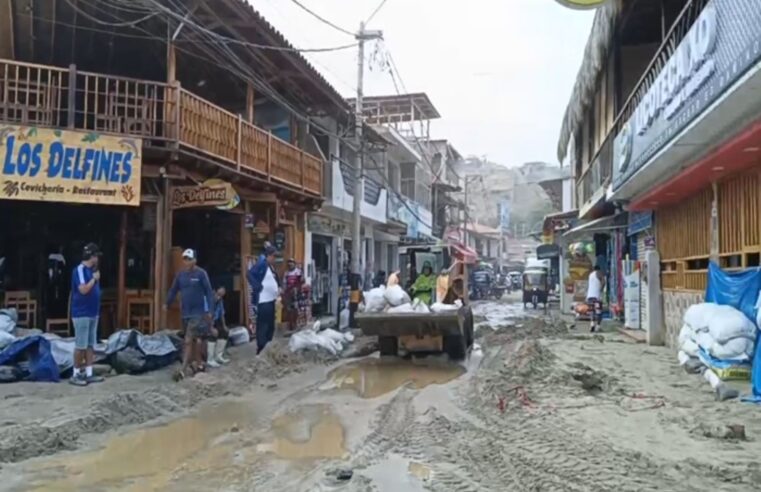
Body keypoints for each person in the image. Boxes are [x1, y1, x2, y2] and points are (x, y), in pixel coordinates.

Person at [165, 249, 214, 380]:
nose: (186, 262)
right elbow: (173, 290)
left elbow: (209, 293)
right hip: (185, 313)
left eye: (189, 259)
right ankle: (198, 365)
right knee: (193, 340)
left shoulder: (201, 274)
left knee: (188, 340)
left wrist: (210, 310)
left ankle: (183, 369)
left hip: (198, 313)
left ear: (195, 260)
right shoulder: (180, 275)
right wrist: (167, 303)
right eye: (185, 259)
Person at [69, 243, 105, 386]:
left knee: (90, 345)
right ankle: (76, 373)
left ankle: (89, 372)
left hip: (92, 312)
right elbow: (83, 290)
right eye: (96, 256)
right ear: (92, 256)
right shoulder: (80, 270)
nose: (97, 259)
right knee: (80, 345)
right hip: (81, 313)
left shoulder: (91, 271)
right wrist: (94, 279)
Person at [247, 245, 280, 354]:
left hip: (271, 300)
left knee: (270, 324)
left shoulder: (270, 267)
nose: (275, 259)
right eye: (274, 256)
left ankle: (267, 344)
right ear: (268, 256)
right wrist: (257, 286)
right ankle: (261, 347)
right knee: (263, 325)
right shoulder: (262, 264)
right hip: (263, 301)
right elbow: (249, 274)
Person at [207, 286, 230, 368]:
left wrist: (224, 326)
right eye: (219, 294)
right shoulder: (208, 299)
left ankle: (218, 356)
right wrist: (211, 328)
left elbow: (222, 314)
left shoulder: (220, 301)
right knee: (213, 333)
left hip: (215, 320)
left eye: (222, 295)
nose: (219, 296)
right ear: (215, 291)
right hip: (205, 321)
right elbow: (206, 315)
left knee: (225, 332)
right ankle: (210, 359)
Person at [283, 259, 303, 332]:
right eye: (289, 264)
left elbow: (301, 281)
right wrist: (284, 291)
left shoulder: (298, 272)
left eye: (291, 263)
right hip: (288, 293)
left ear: (294, 264)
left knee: (296, 309)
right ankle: (290, 324)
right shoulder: (286, 273)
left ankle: (295, 323)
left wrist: (298, 289)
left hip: (296, 293)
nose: (290, 265)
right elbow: (284, 283)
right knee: (289, 309)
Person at [586, 265, 605, 332]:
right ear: (598, 269)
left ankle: (592, 325)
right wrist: (601, 290)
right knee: (599, 312)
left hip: (590, 297)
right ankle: (598, 326)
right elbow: (603, 281)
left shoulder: (590, 275)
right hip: (597, 297)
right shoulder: (598, 273)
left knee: (592, 312)